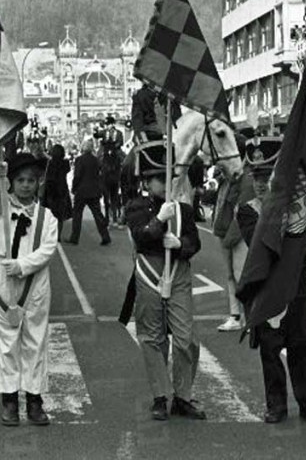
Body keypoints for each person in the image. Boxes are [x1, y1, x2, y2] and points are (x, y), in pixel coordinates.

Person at [237, 136, 306, 425]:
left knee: (303, 345)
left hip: (296, 284)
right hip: (268, 286)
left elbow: (305, 243)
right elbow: (258, 244)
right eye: (256, 176)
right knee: (270, 350)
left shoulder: (299, 205)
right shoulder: (249, 210)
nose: (260, 182)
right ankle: (276, 405)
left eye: (267, 175)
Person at [124, 139, 205, 421]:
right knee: (152, 338)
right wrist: (159, 221)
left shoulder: (183, 209)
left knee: (186, 340)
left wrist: (179, 244)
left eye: (167, 177)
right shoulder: (135, 207)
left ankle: (183, 396)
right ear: (147, 182)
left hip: (178, 274)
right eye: (158, 178)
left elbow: (195, 244)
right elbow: (142, 237)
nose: (164, 183)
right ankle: (161, 395)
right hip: (149, 273)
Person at [0, 152, 58, 427]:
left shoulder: (47, 216)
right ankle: (8, 399)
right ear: (12, 182)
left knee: (35, 339)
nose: (26, 185)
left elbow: (48, 249)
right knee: (4, 340)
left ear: (38, 183)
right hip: (3, 280)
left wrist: (23, 265)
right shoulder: (1, 207)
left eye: (31, 180)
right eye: (20, 180)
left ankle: (34, 399)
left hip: (35, 281)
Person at [212, 139, 257, 332]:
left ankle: (245, 316)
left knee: (240, 275)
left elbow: (243, 212)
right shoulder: (228, 177)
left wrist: (229, 237)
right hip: (226, 231)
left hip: (236, 234)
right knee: (232, 275)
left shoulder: (245, 177)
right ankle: (236, 315)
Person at [65, 139, 111, 246]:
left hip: (81, 190)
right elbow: (100, 172)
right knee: (97, 214)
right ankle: (105, 236)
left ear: (83, 148)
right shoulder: (96, 160)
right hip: (94, 190)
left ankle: (74, 237)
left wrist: (74, 188)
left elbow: (77, 176)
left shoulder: (79, 160)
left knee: (77, 214)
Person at [40, 144, 72, 240]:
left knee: (49, 214)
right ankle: (58, 236)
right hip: (62, 190)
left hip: (50, 190)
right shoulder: (65, 164)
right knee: (60, 216)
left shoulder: (49, 163)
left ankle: (49, 235)